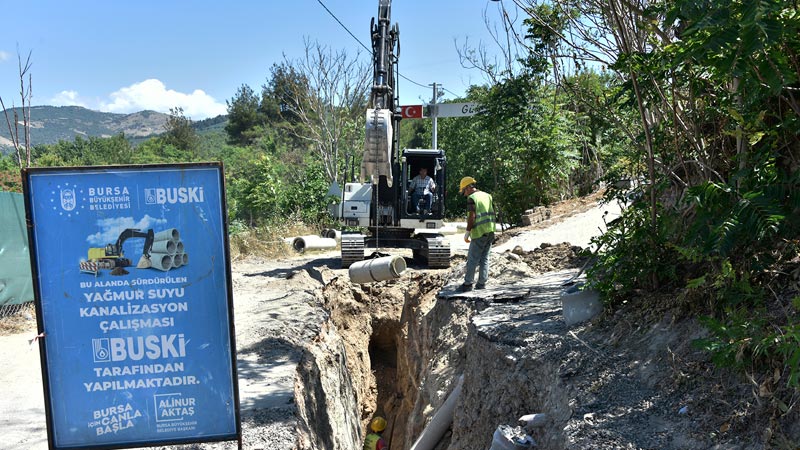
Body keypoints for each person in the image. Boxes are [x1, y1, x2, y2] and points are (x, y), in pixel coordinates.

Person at [458, 176, 496, 291]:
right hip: (490, 230)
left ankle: (468, 284)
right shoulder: (487, 195)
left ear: (469, 187)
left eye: (464, 190)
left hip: (479, 232)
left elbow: (472, 217)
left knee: (473, 258)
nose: (464, 194)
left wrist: (467, 231)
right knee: (484, 257)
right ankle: (481, 283)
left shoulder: (472, 198)